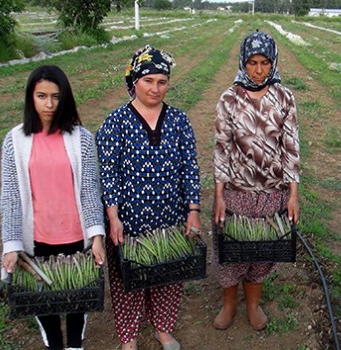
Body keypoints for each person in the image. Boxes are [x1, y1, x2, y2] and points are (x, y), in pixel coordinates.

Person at [96, 45, 201, 350]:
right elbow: (109, 173)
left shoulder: (179, 121)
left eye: (162, 82)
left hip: (170, 218)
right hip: (130, 221)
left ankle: (163, 329)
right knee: (127, 280)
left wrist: (193, 209)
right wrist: (113, 216)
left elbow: (190, 167)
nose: (155, 89)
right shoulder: (116, 122)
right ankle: (128, 338)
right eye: (148, 81)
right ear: (134, 82)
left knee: (168, 275)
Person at [0, 65, 105, 350]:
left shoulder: (81, 138)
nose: (48, 104)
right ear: (30, 98)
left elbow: (89, 191)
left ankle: (74, 344)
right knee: (43, 298)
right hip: (38, 238)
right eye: (41, 96)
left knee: (76, 296)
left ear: (65, 98)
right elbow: (10, 196)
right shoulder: (15, 141)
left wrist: (96, 235)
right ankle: (54, 343)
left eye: (56, 97)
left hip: (74, 235)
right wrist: (11, 244)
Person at [212, 31, 300, 332]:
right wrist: (220, 195)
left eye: (265, 62)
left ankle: (252, 305)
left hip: (272, 193)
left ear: (273, 62)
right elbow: (221, 148)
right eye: (252, 62)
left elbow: (291, 148)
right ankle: (228, 305)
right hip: (238, 192)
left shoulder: (284, 98)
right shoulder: (229, 99)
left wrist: (292, 194)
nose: (259, 70)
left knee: (262, 253)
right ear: (243, 62)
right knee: (231, 251)